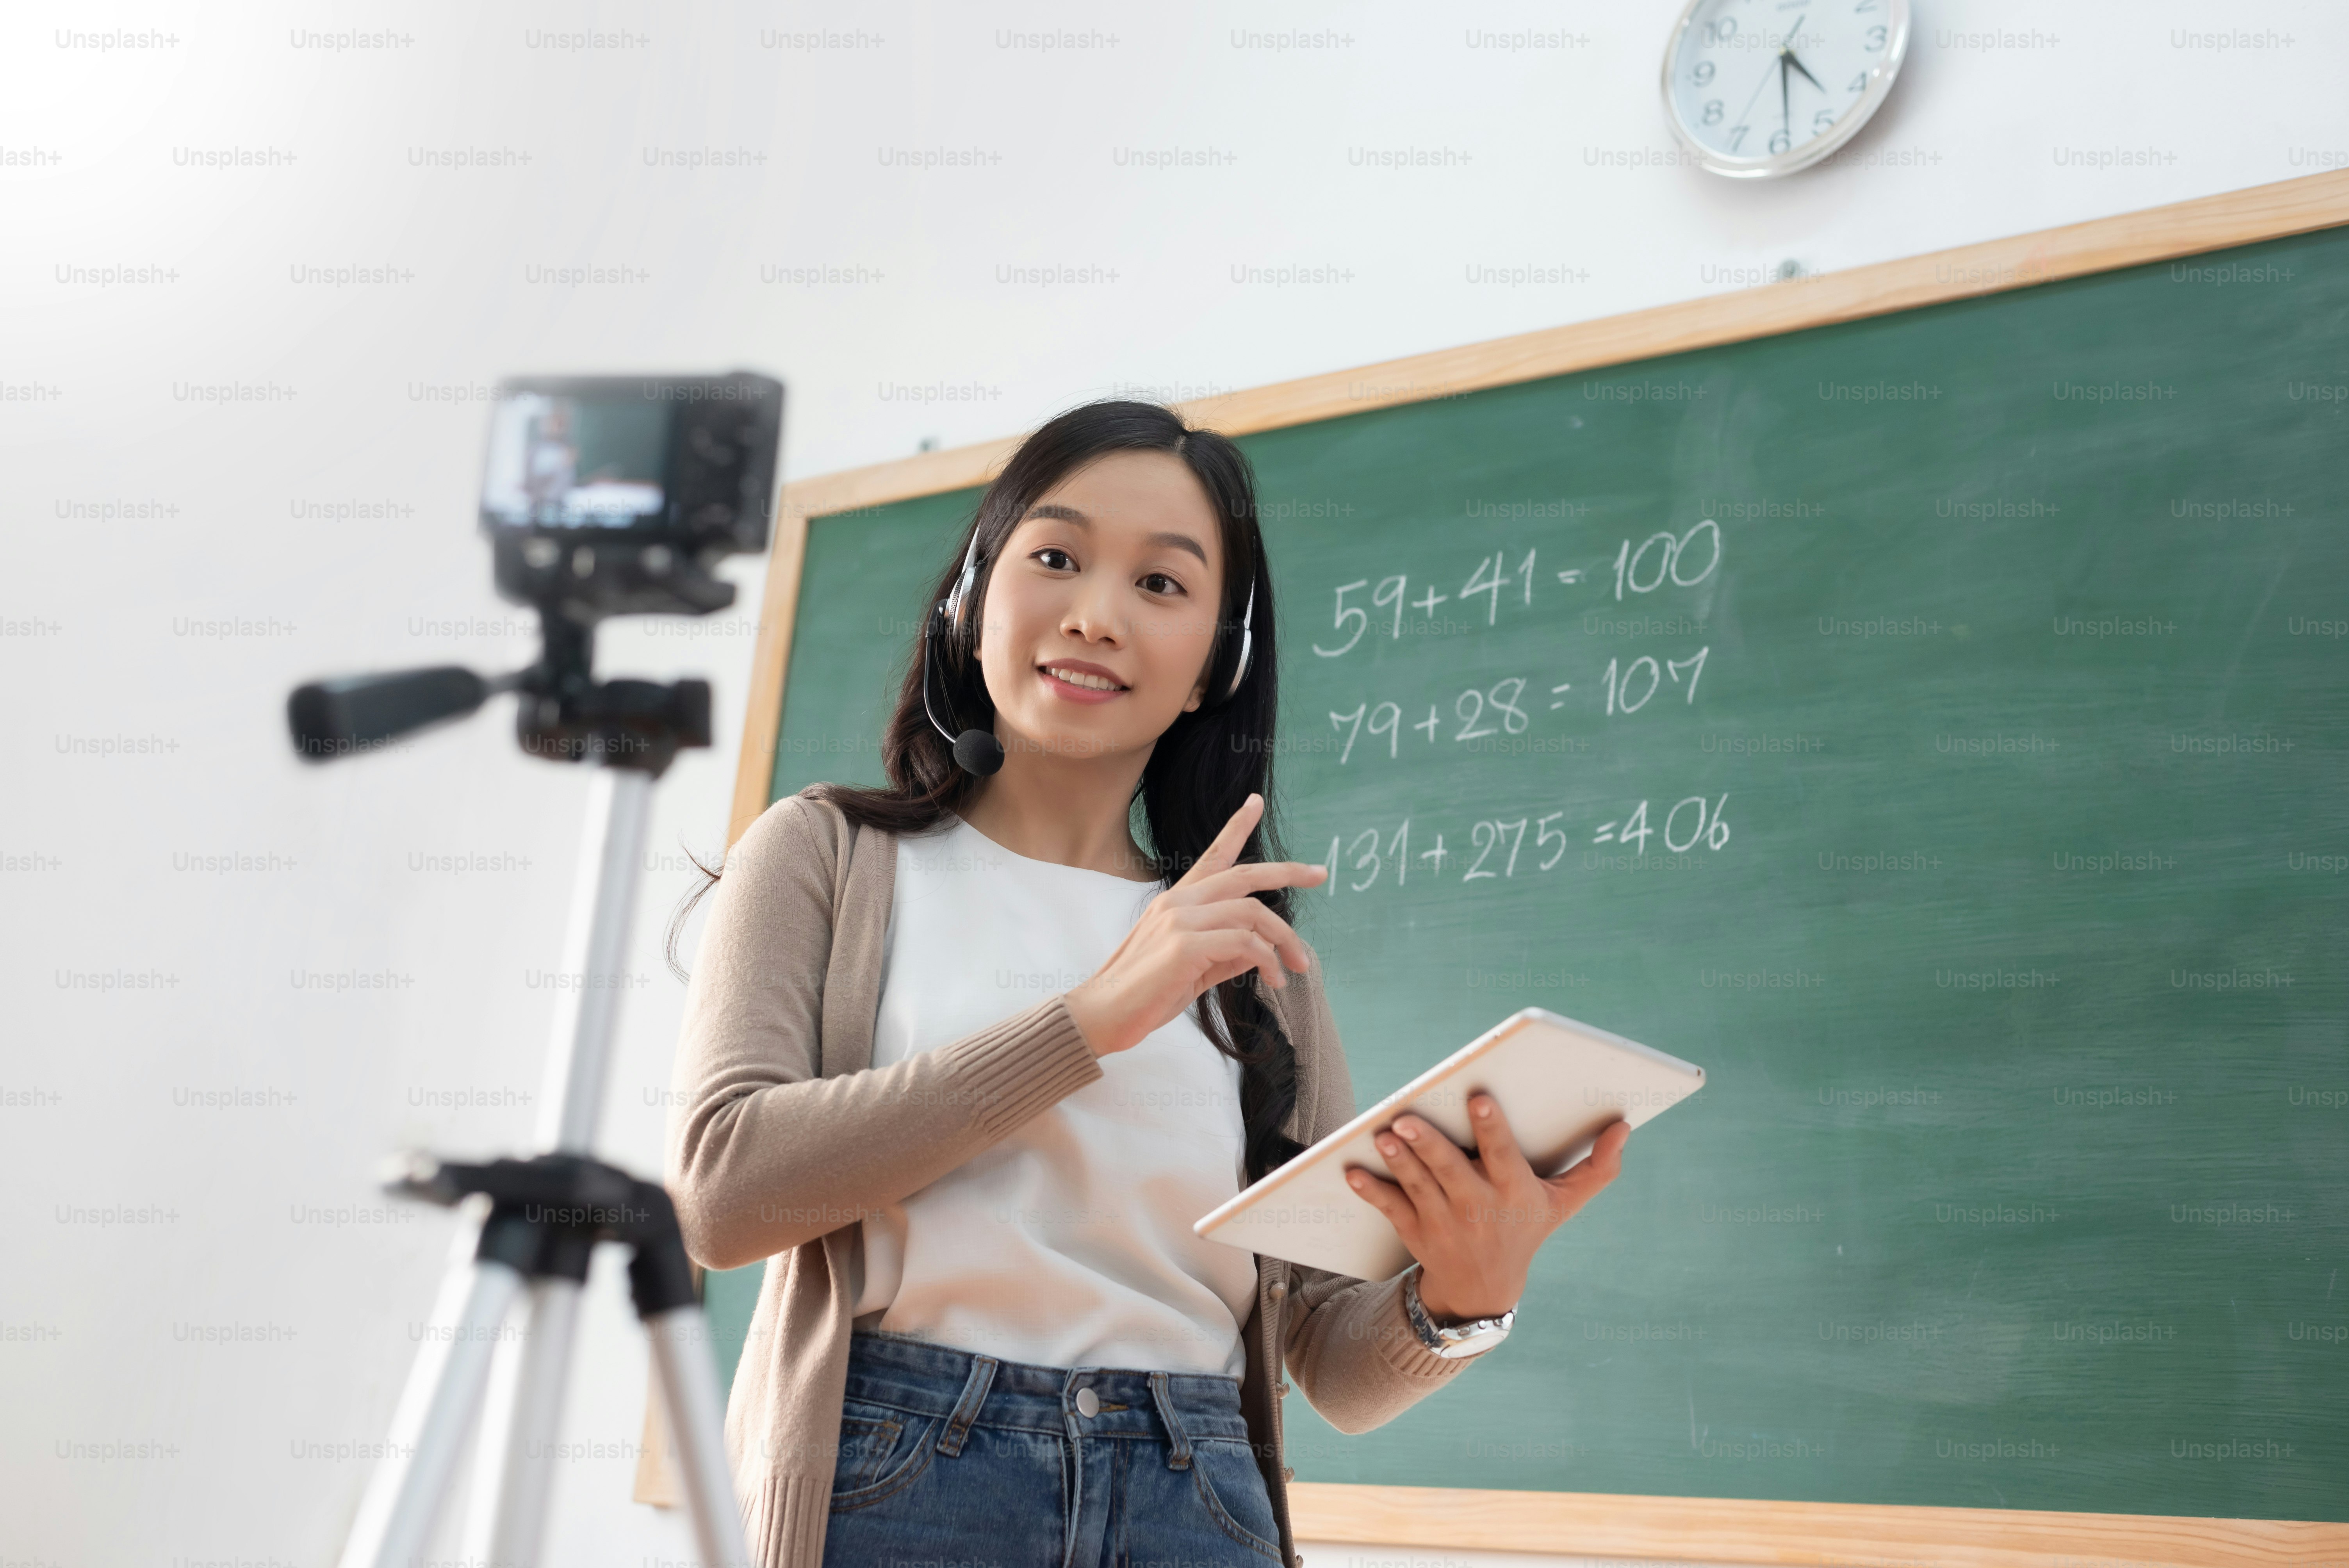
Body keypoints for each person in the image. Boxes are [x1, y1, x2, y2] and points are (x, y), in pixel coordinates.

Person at [663, 399, 1631, 1568]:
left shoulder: (1240, 945)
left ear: (1215, 664)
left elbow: (1330, 1361)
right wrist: (1092, 1021)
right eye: (1056, 557)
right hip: (898, 1475)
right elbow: (725, 1196)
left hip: (1196, 1488)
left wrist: (1464, 1299)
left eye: (1162, 586)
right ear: (974, 597)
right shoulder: (826, 854)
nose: (1095, 616)